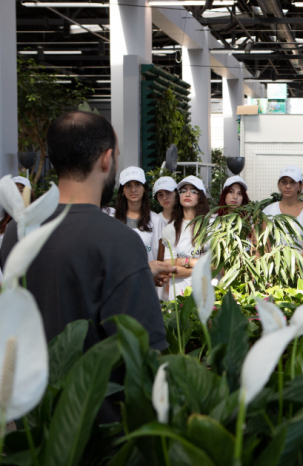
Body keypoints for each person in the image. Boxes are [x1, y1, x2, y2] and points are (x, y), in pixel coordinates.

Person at [0, 112, 173, 423]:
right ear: (106, 160)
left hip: (35, 427)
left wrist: (133, 273)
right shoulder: (118, 241)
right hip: (95, 431)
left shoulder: (18, 231)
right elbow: (146, 356)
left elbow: (55, 285)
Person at [161, 175, 210, 300]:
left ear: (201, 196)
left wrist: (181, 262)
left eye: (193, 191)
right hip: (177, 293)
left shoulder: (211, 227)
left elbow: (213, 266)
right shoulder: (170, 229)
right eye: (183, 191)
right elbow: (168, 268)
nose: (187, 194)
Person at [263, 165, 303, 267]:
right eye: (284, 182)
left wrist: (295, 265)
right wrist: (278, 266)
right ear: (279, 185)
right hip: (276, 272)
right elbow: (266, 245)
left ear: (300, 186)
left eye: (293, 182)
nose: (288, 186)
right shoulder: (268, 212)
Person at [115, 166, 164, 262]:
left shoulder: (156, 220)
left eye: (137, 184)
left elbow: (160, 259)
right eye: (128, 185)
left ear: (144, 188)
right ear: (122, 191)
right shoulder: (113, 219)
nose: (133, 190)